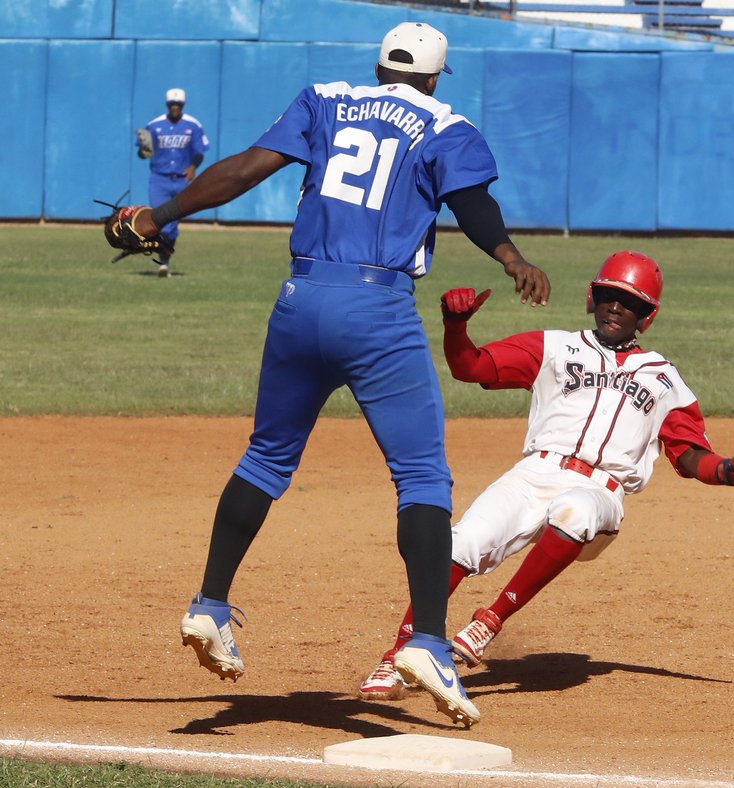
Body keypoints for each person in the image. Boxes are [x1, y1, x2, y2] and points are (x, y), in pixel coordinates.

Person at [121, 21, 550, 729]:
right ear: (438, 76)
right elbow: (472, 204)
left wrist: (157, 215)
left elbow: (245, 169)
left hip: (300, 299)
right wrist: (510, 258)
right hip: (376, 308)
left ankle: (210, 604)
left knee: (265, 459)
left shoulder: (325, 98)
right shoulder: (446, 123)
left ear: (378, 65)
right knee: (421, 478)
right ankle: (429, 643)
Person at [357, 251, 734, 703]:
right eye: (608, 296)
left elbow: (689, 455)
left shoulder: (663, 379)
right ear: (591, 298)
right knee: (457, 546)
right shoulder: (553, 347)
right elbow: (472, 367)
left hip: (600, 491)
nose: (616, 307)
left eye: (629, 302)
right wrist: (456, 326)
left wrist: (728, 472)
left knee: (575, 509)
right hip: (535, 472)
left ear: (646, 317)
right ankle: (396, 658)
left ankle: (490, 620)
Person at [137, 88, 208, 277]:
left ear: (183, 105)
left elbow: (200, 151)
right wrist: (143, 149)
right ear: (167, 105)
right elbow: (143, 152)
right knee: (161, 221)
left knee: (172, 225)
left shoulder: (193, 125)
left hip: (181, 180)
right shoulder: (154, 125)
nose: (175, 107)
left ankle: (164, 261)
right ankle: (163, 261)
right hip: (159, 179)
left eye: (178, 105)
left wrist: (193, 166)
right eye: (172, 104)